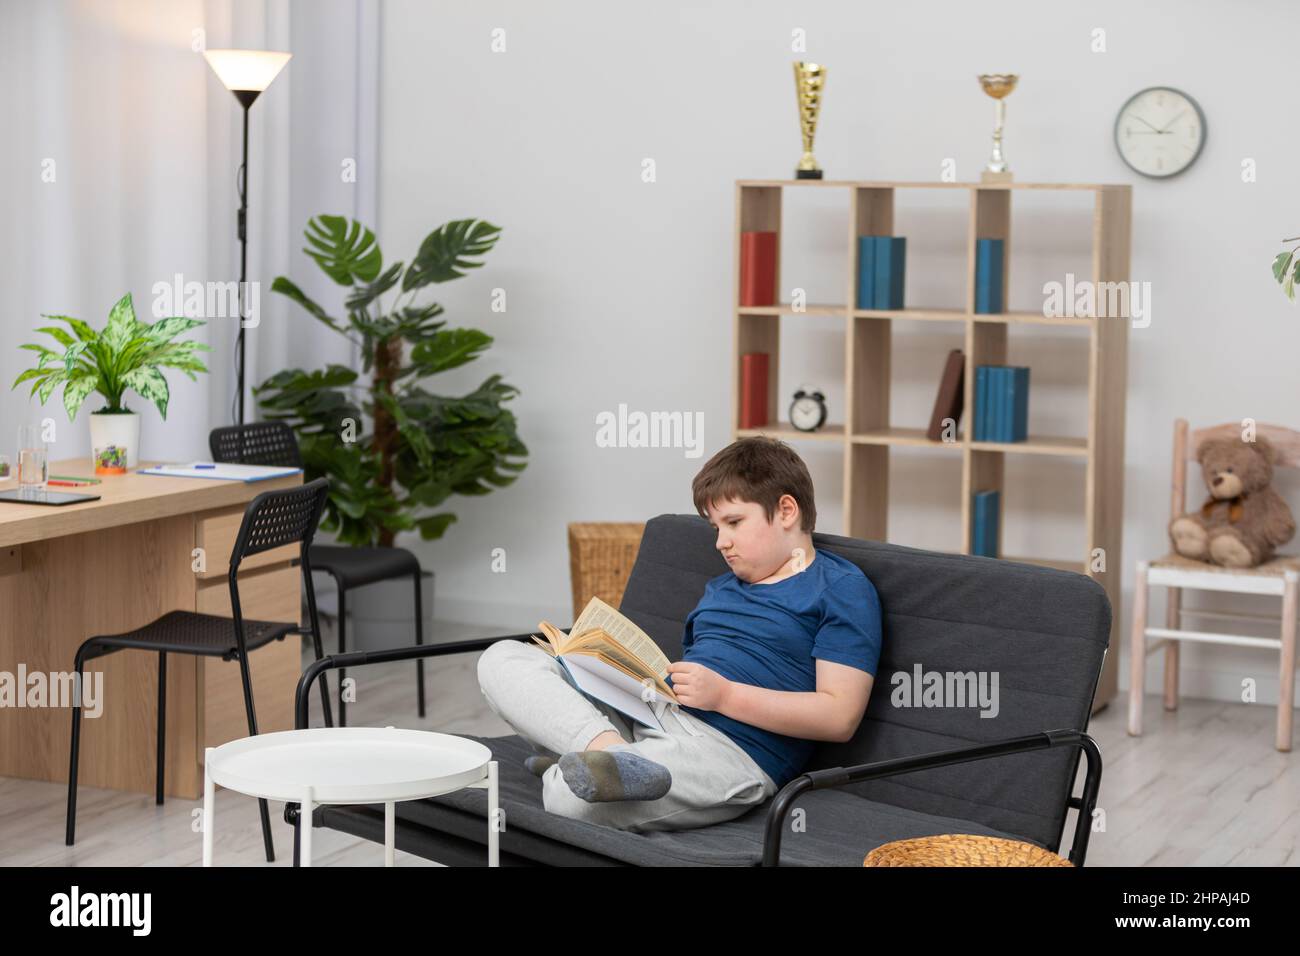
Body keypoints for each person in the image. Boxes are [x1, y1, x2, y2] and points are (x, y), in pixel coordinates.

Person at [476, 435, 883, 831]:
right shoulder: (721, 588)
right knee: (502, 658)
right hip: (654, 714)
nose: (722, 543)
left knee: (569, 799)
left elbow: (838, 716)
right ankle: (608, 754)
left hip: (730, 754)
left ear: (787, 511)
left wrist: (725, 695)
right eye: (715, 528)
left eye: (734, 522)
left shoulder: (840, 588)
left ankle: (581, 763)